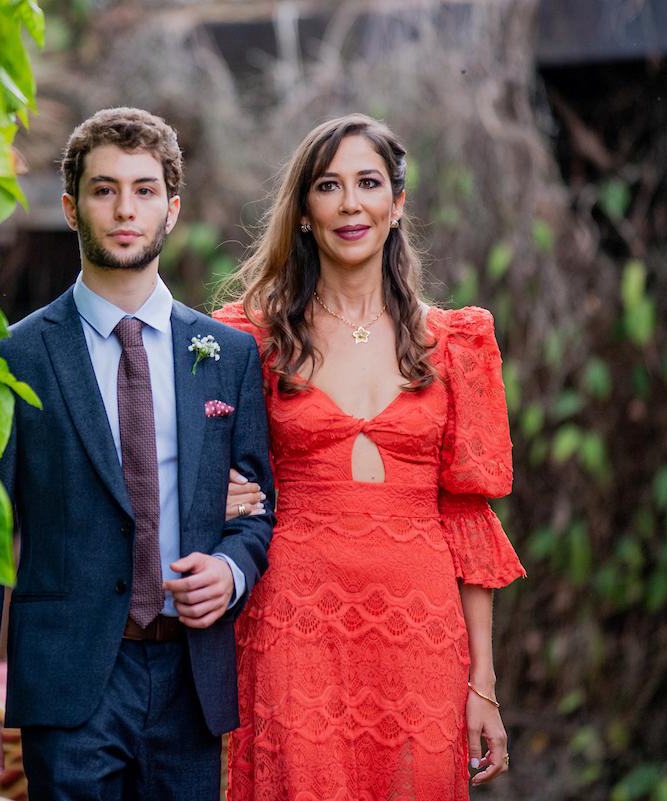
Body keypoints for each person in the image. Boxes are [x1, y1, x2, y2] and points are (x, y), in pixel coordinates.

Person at [0, 107, 275, 801]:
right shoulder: (18, 354)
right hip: (68, 684)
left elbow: (258, 507)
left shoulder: (227, 355)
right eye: (104, 189)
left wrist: (231, 569)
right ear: (71, 207)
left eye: (144, 189)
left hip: (191, 676)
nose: (125, 208)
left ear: (172, 208)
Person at [214, 113, 525, 801]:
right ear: (303, 212)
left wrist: (485, 686)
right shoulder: (248, 339)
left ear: (397, 203)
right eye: (328, 186)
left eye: (368, 183)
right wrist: (218, 491)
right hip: (292, 621)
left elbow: (468, 521)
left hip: (421, 631)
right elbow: (200, 463)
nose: (350, 203)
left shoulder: (453, 342)